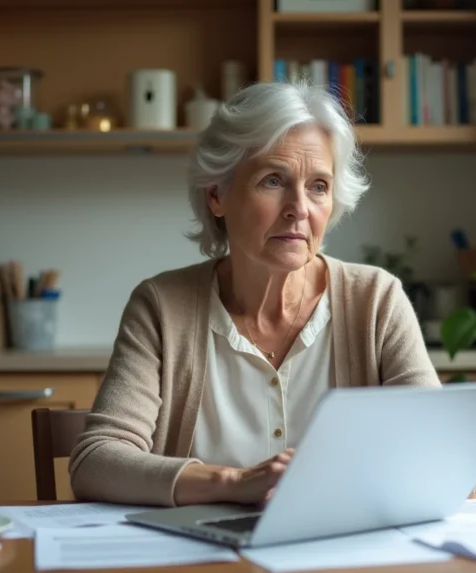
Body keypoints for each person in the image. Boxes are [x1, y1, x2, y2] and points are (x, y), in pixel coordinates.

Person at [68, 80, 442, 508]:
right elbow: (95, 462)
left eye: (318, 186)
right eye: (272, 180)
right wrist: (233, 482)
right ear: (217, 196)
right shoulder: (161, 307)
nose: (299, 207)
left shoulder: (376, 300)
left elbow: (443, 461)